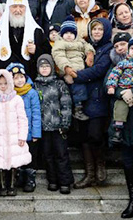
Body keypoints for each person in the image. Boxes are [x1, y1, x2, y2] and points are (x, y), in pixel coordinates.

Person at [71, 18, 113, 189]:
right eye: (94, 29)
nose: (96, 32)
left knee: (96, 134)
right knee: (84, 137)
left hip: (98, 98)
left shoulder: (108, 49)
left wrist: (76, 75)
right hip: (83, 97)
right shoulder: (86, 47)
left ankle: (100, 168)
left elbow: (98, 70)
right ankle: (89, 174)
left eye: (100, 29)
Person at [0, 69, 31, 197]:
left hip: (14, 136)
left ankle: (12, 185)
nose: (3, 86)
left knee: (12, 161)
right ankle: (2, 185)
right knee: (0, 161)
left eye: (5, 83)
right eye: (0, 84)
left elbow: (22, 119)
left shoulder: (17, 100)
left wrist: (22, 136)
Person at [0, 0, 51, 80]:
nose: (18, 10)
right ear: (9, 8)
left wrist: (36, 50)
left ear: (26, 8)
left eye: (21, 6)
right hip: (5, 82)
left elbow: (47, 52)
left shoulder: (36, 31)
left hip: (29, 80)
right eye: (14, 6)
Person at [34, 54, 73, 194]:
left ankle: (65, 181)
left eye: (47, 66)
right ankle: (52, 180)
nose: (44, 69)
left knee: (61, 154)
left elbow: (66, 104)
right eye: (41, 67)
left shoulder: (59, 84)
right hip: (44, 127)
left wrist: (65, 123)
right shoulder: (35, 85)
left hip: (58, 126)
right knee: (47, 155)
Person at [51, 15, 95, 121]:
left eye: (71, 33)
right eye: (66, 33)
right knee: (72, 91)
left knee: (81, 89)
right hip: (68, 71)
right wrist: (67, 68)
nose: (69, 35)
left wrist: (90, 54)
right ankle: (74, 110)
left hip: (80, 71)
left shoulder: (79, 41)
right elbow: (59, 56)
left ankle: (79, 107)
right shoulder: (60, 43)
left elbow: (87, 46)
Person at [8, 63, 42, 193]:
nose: (19, 80)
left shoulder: (31, 92)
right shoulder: (10, 94)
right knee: (18, 156)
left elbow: (36, 113)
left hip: (29, 132)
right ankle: (19, 177)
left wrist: (36, 133)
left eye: (21, 77)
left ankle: (30, 179)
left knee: (30, 157)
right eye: (16, 78)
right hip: (16, 133)